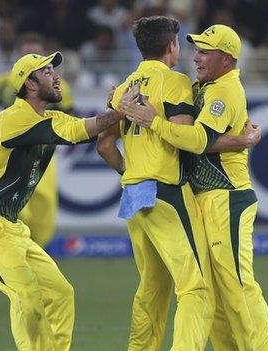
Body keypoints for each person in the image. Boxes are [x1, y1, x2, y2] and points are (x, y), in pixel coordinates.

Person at [0, 51, 130, 351]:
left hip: (10, 227)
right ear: (29, 84)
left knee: (61, 293)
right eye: (46, 72)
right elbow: (80, 130)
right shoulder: (13, 117)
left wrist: (114, 110)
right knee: (27, 298)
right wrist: (121, 112)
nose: (56, 76)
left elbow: (84, 131)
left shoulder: (48, 118)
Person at [118, 24, 268, 351]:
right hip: (202, 196)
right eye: (196, 49)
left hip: (227, 196)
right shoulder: (201, 86)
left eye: (206, 51)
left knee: (237, 286)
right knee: (213, 291)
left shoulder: (223, 91)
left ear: (227, 58)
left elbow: (199, 140)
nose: (197, 57)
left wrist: (153, 121)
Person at [96, 16, 217, 351]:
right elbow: (182, 134)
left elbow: (104, 146)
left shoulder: (124, 88)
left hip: (133, 196)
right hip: (165, 193)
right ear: (171, 47)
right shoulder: (175, 82)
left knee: (152, 287)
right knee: (196, 287)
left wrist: (130, 170)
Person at [0, 32, 75, 247]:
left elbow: (71, 118)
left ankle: (36, 249)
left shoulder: (60, 86)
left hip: (43, 152)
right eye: (26, 53)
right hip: (11, 152)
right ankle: (16, 246)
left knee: (45, 204)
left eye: (35, 54)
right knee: (15, 203)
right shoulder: (1, 83)